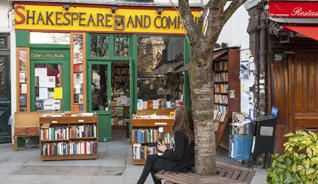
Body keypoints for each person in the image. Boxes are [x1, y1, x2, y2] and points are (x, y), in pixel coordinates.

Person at [137, 106, 194, 184]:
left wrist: (165, 150)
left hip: (180, 165)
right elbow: (181, 151)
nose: (173, 117)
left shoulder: (179, 134)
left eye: (175, 115)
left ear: (179, 118)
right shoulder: (189, 131)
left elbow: (177, 156)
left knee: (153, 165)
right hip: (186, 162)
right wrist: (167, 150)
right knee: (151, 158)